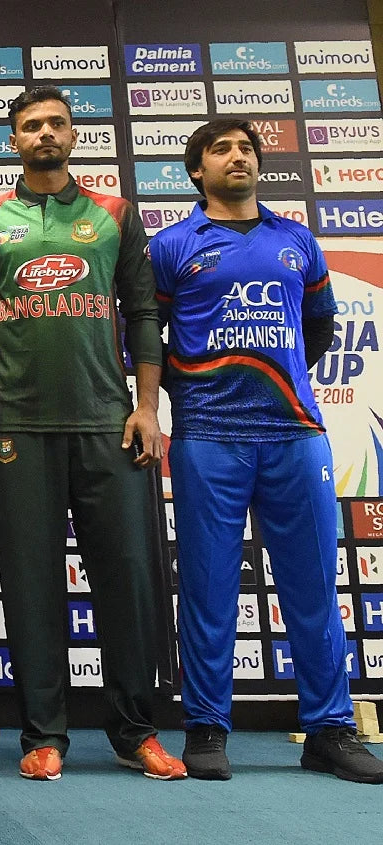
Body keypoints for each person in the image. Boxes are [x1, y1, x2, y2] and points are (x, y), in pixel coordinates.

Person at [0, 86, 185, 781]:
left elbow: (144, 313)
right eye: (31, 126)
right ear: (14, 140)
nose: (45, 134)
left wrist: (146, 407)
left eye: (56, 123)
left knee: (127, 580)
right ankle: (42, 734)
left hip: (106, 422)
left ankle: (134, 731)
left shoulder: (115, 214)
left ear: (73, 135)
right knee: (28, 585)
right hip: (15, 424)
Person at [150, 119, 383, 784]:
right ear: (198, 171)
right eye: (221, 149)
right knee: (209, 587)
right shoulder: (172, 245)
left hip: (296, 435)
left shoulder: (296, 240)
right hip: (206, 439)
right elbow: (148, 337)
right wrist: (196, 388)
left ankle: (330, 729)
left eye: (246, 148)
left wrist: (275, 386)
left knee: (313, 585)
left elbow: (318, 330)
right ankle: (206, 725)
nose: (237, 157)